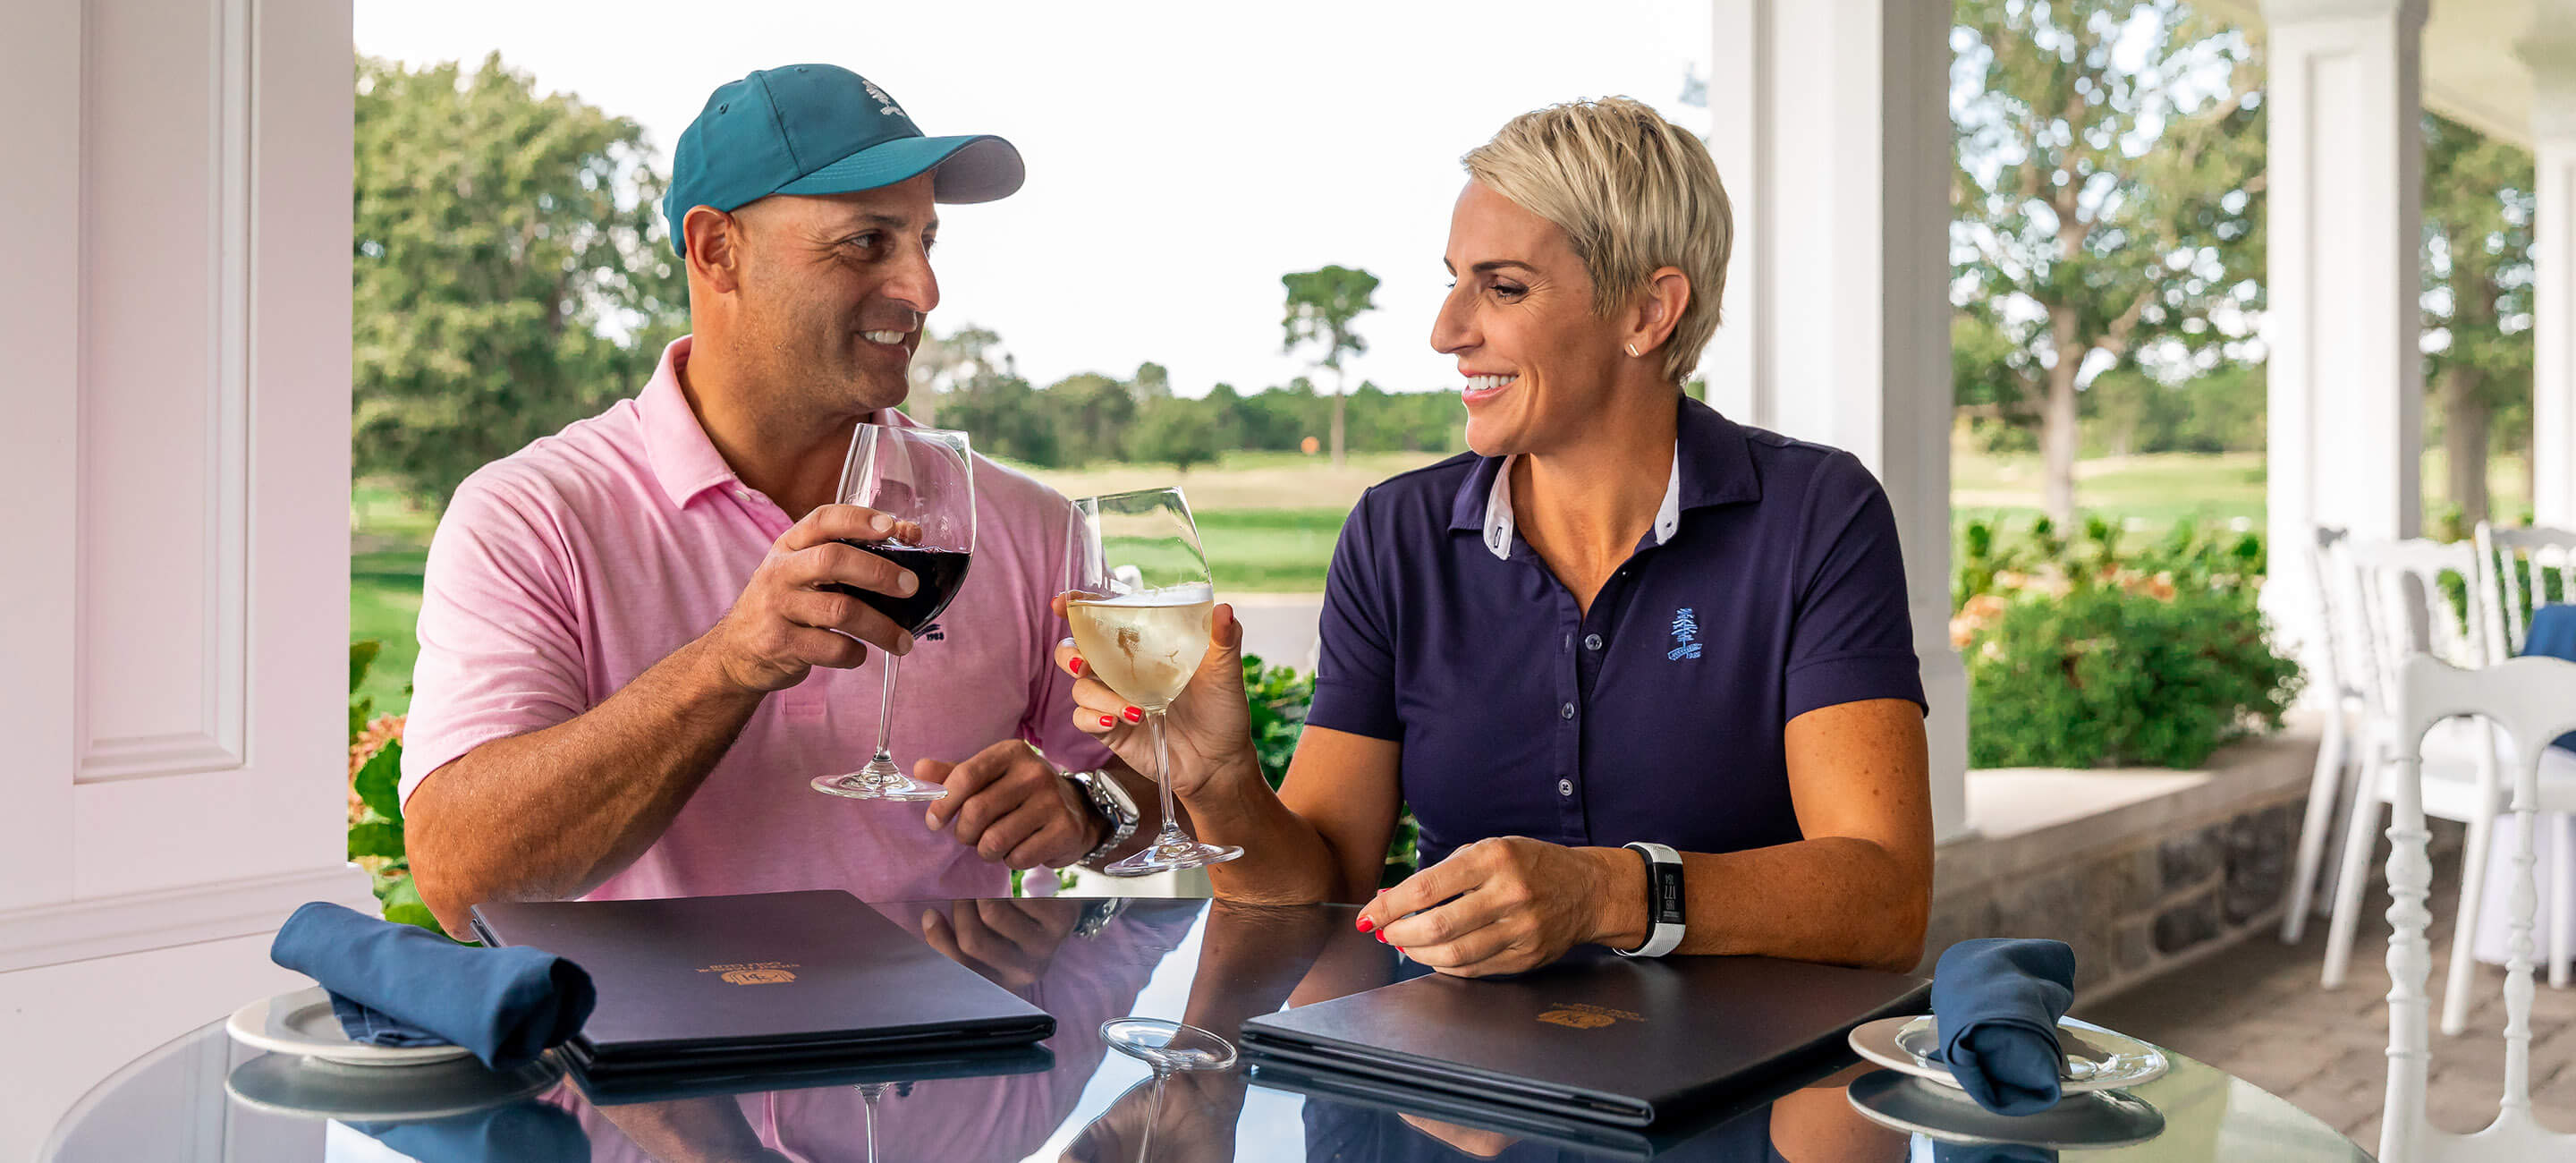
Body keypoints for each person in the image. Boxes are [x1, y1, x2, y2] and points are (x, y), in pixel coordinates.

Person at [1051, 97, 1933, 976]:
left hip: (1742, 1093)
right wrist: (1218, 784)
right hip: (1454, 1100)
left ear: (1648, 312)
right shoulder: (1396, 536)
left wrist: (1607, 892)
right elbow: (1316, 893)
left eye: (1503, 287)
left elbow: (1885, 896)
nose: (1447, 332)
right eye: (1454, 281)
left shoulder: (1818, 515)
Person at [401, 64, 1164, 938]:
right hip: (659, 1065)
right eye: (868, 242)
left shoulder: (1031, 528)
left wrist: (1087, 804)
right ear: (716, 249)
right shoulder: (531, 517)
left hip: (946, 1062)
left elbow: (1155, 780)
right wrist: (728, 663)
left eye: (926, 241)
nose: (924, 289)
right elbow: (461, 881)